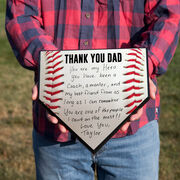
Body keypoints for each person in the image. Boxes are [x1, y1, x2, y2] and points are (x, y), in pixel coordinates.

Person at [5, 0, 180, 179]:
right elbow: (21, 14)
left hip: (133, 124)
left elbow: (168, 16)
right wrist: (51, 68)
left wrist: (142, 67)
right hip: (57, 127)